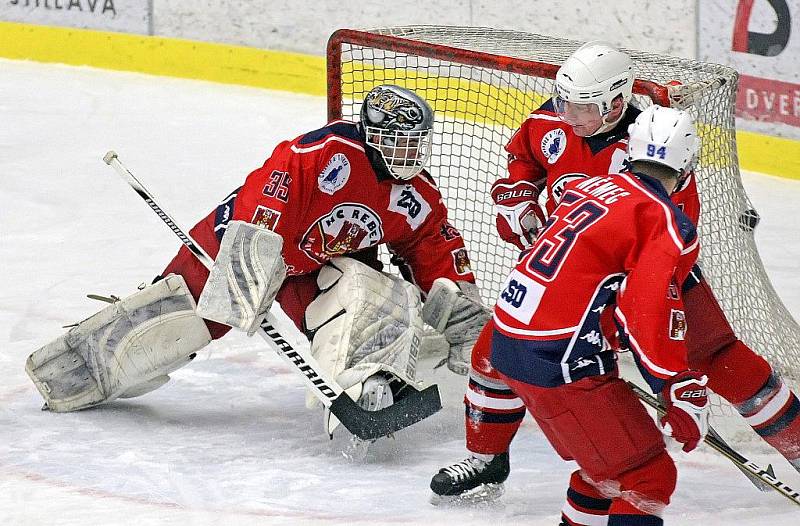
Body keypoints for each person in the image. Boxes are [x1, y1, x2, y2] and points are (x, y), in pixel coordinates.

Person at [430, 41, 800, 504]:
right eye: (565, 101)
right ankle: (487, 459)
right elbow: (523, 162)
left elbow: (667, 246)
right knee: (495, 355)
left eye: (584, 106)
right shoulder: (553, 122)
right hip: (578, 281)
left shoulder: (649, 149)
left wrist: (624, 322)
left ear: (617, 103)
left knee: (721, 358)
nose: (570, 114)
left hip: (655, 277)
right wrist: (519, 199)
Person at [25, 85, 489, 436]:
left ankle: (369, 381)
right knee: (171, 326)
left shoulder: (417, 196)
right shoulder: (321, 155)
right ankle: (88, 363)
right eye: (399, 142)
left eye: (416, 144)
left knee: (369, 297)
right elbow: (267, 197)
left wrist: (464, 315)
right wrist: (250, 262)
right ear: (372, 134)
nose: (410, 155)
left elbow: (436, 249)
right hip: (238, 242)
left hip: (313, 268)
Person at [432, 105, 709, 525]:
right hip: (558, 360)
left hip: (506, 340)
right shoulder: (665, 221)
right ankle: (488, 459)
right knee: (646, 476)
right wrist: (676, 386)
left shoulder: (589, 190)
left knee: (604, 470)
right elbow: (648, 309)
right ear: (686, 164)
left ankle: (489, 457)